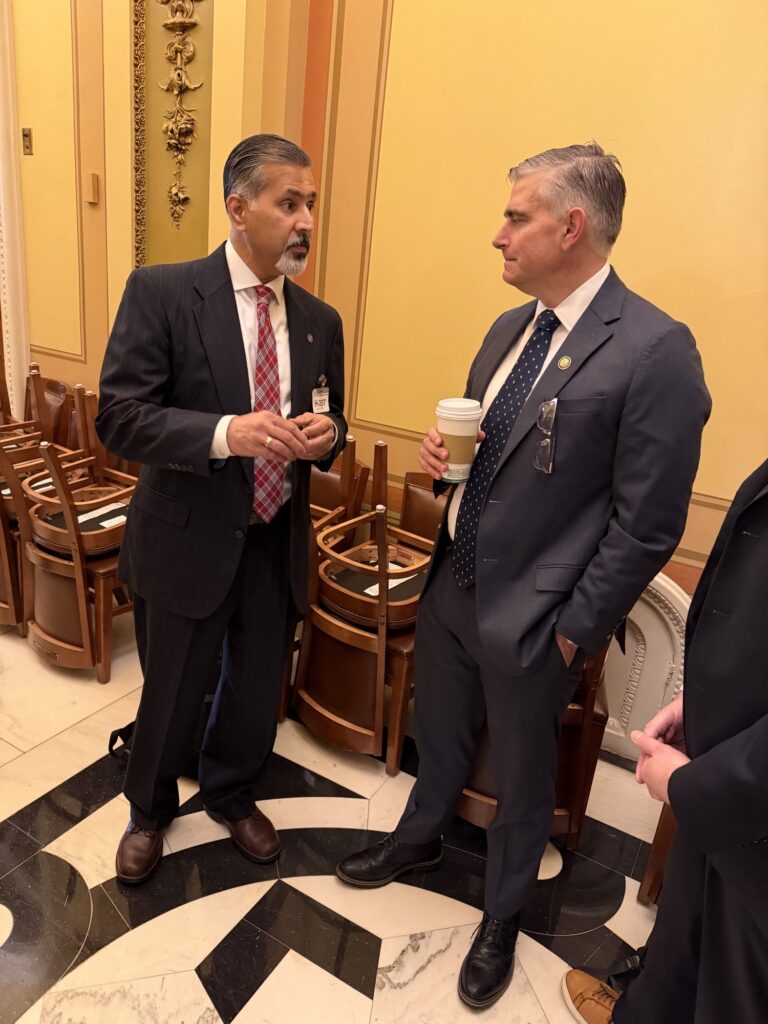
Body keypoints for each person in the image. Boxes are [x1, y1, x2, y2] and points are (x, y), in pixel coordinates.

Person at [336, 143, 711, 1010]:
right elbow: (491, 458)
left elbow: (648, 521)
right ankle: (422, 834)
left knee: (522, 778)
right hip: (454, 588)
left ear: (570, 226)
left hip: (540, 622)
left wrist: (575, 627)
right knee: (438, 728)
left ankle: (502, 913)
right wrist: (442, 463)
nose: (496, 236)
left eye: (515, 216)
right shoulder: (511, 329)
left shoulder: (655, 350)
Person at [96, 134, 346, 884]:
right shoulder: (164, 292)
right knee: (172, 684)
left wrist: (330, 436)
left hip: (275, 538)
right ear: (239, 209)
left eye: (311, 205)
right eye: (288, 203)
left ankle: (233, 792)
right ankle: (148, 810)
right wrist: (224, 434)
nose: (305, 221)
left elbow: (330, 418)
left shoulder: (318, 320)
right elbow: (120, 416)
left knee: (254, 685)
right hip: (187, 537)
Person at [562, 457, 768, 1024]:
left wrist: (687, 785)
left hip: (749, 818)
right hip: (725, 779)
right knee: (680, 954)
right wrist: (700, 706)